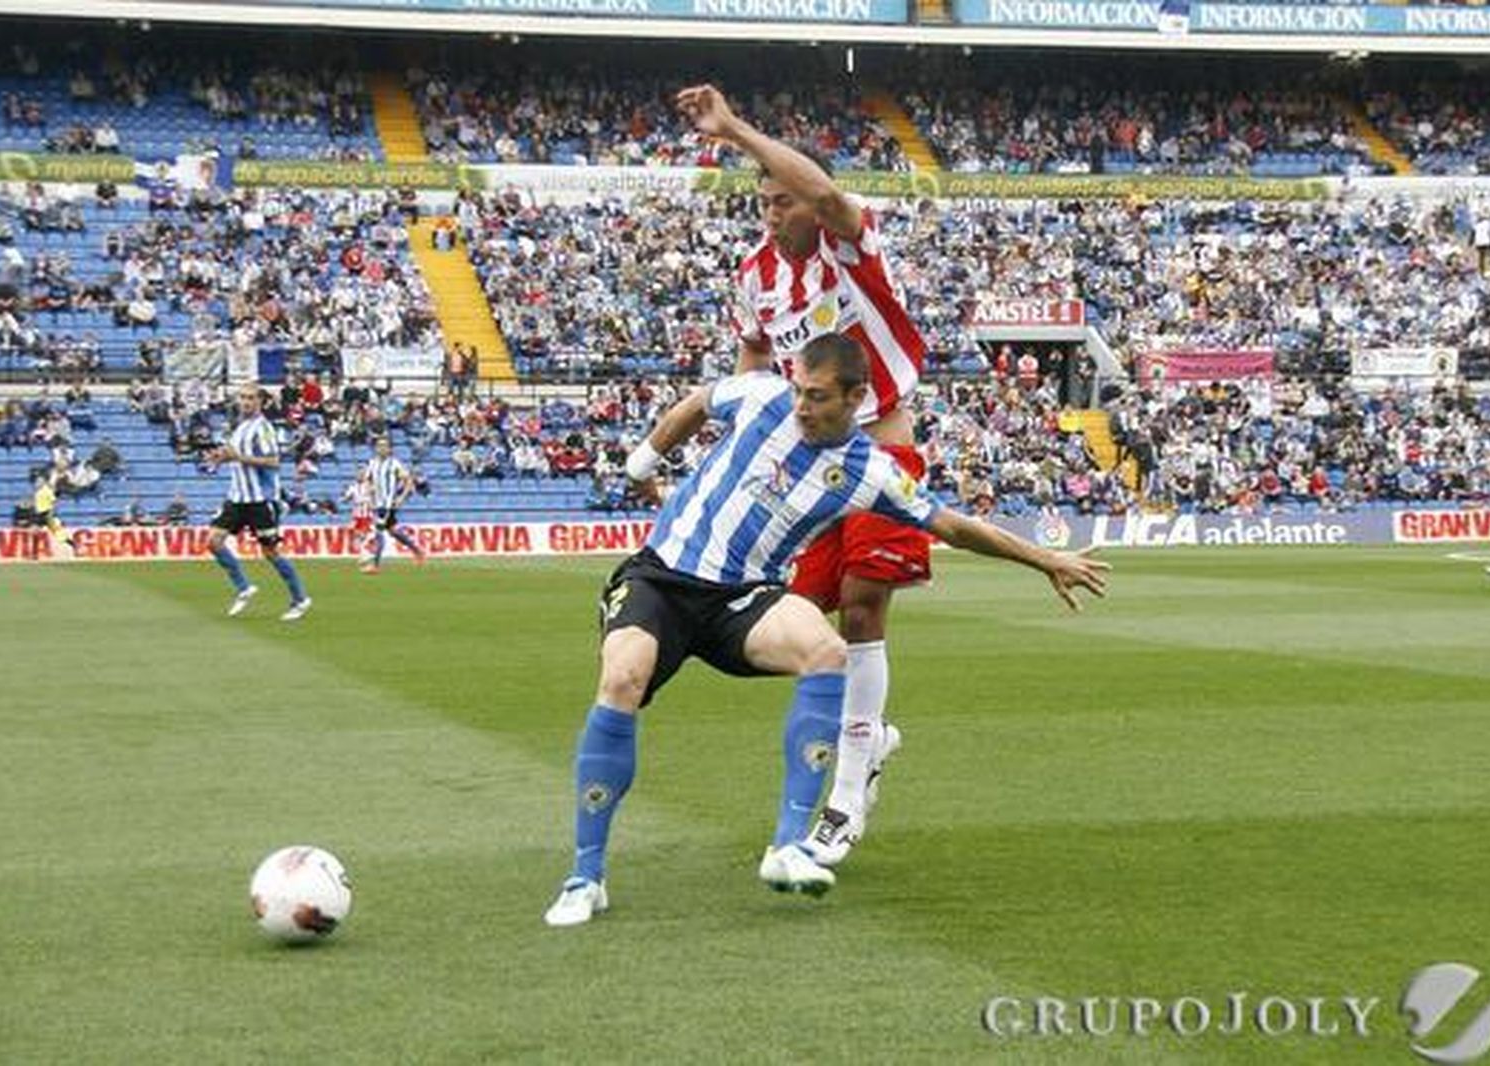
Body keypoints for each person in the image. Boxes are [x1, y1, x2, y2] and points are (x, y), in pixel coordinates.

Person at [543, 335, 1110, 927]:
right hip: (661, 578)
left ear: (856, 398)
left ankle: (787, 847)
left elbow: (953, 526)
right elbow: (695, 404)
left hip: (744, 597)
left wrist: (1048, 560)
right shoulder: (762, 397)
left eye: (816, 397)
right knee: (622, 678)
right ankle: (586, 876)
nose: (801, 407)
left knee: (828, 650)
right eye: (798, 392)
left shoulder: (871, 473)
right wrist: (642, 461)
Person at [678, 83, 928, 866]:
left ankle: (847, 801)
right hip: (804, 462)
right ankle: (869, 730)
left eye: (784, 200)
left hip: (883, 443)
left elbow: (823, 190)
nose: (776, 213)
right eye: (766, 204)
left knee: (861, 611)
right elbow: (754, 359)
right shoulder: (755, 273)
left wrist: (735, 129)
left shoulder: (847, 243)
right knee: (797, 621)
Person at [205, 384, 311, 622]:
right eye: (243, 397)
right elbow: (234, 456)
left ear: (261, 402)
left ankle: (300, 599)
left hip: (260, 501)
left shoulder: (263, 428)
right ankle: (244, 588)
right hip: (237, 498)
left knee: (270, 552)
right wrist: (220, 458)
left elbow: (273, 461)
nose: (246, 402)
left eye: (251, 398)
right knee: (213, 541)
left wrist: (237, 457)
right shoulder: (241, 427)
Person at [361, 434, 426, 573]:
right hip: (377, 504)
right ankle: (417, 550)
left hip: (387, 504)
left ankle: (375, 565)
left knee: (379, 532)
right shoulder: (372, 463)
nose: (382, 448)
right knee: (393, 532)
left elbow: (408, 480)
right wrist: (369, 493)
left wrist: (401, 498)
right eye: (379, 446)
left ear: (390, 449)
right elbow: (367, 480)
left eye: (385, 446)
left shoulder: (394, 463)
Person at [31, 470, 75, 560]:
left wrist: (51, 514)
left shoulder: (47, 490)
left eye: (39, 481)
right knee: (35, 532)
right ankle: (34, 554)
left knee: (59, 535)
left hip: (47, 514)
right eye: (37, 481)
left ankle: (74, 545)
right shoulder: (37, 491)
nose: (37, 483)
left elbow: (53, 503)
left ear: (43, 481)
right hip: (39, 515)